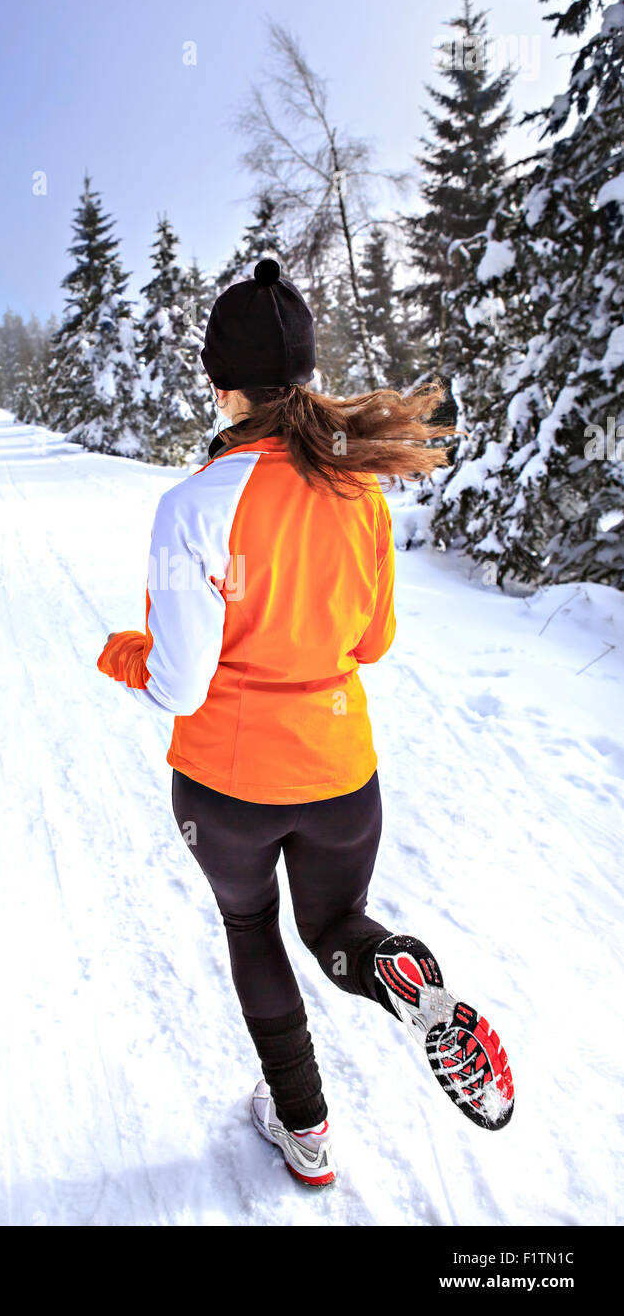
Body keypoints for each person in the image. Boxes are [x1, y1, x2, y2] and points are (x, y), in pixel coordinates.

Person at [96, 258, 514, 1188]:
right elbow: (374, 641)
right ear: (307, 377)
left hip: (228, 785)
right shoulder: (357, 490)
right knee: (336, 927)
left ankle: (306, 1126)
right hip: (339, 775)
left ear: (221, 384)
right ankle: (396, 968)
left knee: (253, 928)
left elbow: (179, 683)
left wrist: (128, 651)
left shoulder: (193, 504)